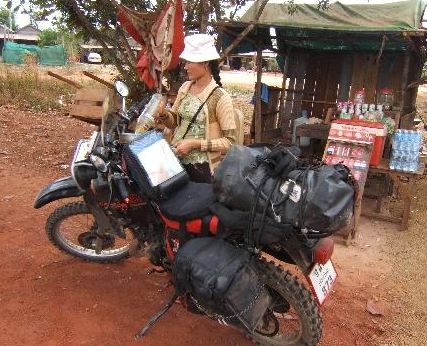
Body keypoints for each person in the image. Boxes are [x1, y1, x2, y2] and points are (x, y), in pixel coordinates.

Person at [156, 34, 237, 183]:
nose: (185, 66)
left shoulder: (219, 97)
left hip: (202, 170)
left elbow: (230, 143)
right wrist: (163, 114)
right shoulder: (185, 88)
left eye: (189, 62)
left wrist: (195, 144)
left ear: (205, 63)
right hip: (177, 162)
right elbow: (174, 123)